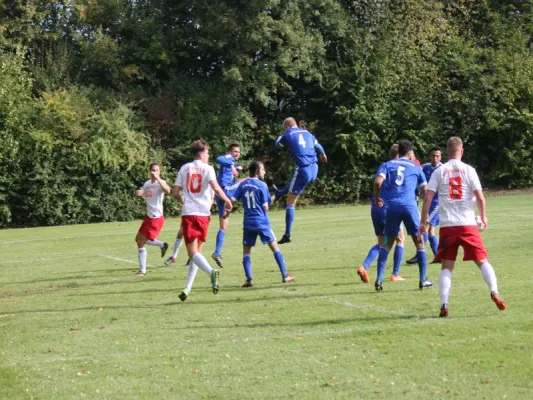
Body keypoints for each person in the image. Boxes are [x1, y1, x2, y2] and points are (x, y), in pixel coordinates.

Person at [419, 136, 506, 317]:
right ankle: (494, 292)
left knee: (447, 266)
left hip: (448, 226)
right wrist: (483, 217)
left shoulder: (439, 171)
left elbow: (428, 198)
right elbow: (480, 197)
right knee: (482, 260)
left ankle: (444, 303)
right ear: (462, 151)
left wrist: (423, 221)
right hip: (467, 224)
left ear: (447, 152)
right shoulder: (469, 170)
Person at [173, 140, 233, 301]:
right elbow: (216, 188)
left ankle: (211, 272)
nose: (208, 156)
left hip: (190, 213)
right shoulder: (208, 169)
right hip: (204, 215)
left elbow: (175, 192)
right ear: (201, 153)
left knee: (192, 254)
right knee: (197, 253)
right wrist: (227, 200)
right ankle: (187, 288)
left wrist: (183, 201)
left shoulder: (184, 168)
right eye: (207, 153)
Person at [373, 139, 433, 291]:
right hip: (409, 207)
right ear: (410, 153)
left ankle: (379, 279)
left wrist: (377, 197)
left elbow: (378, 182)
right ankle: (422, 279)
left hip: (392, 207)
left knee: (387, 243)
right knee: (419, 242)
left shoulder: (388, 164)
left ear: (398, 151)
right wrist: (425, 213)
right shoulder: (416, 167)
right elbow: (425, 190)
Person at [228, 161, 295, 286]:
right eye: (263, 169)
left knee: (246, 252)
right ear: (258, 171)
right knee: (275, 248)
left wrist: (226, 211)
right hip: (261, 222)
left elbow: (231, 200)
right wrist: (273, 198)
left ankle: (249, 279)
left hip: (248, 222)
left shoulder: (242, 185)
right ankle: (285, 275)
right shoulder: (262, 185)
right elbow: (266, 206)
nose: (264, 172)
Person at [357, 144, 407, 283]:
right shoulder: (397, 169)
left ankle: (364, 267)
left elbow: (378, 182)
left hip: (376, 208)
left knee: (381, 243)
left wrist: (377, 197)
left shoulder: (384, 166)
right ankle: (395, 274)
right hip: (388, 209)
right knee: (400, 239)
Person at [274, 117, 327, 244]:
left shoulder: (288, 133)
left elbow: (278, 146)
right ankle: (280, 192)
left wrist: (278, 139)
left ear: (287, 126)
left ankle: (287, 235)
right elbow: (318, 146)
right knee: (294, 179)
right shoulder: (307, 132)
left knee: (290, 204)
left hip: (303, 170)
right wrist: (323, 154)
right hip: (314, 168)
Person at [135, 163, 171, 275]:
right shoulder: (147, 183)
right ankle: (162, 245)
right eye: (152, 170)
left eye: (156, 170)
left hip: (156, 216)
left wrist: (159, 179)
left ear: (159, 172)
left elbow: (168, 190)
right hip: (148, 216)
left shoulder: (161, 183)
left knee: (142, 241)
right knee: (138, 239)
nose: (154, 172)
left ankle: (143, 271)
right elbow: (144, 193)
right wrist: (139, 193)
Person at [211, 143, 243, 268]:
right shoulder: (228, 158)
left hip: (220, 196)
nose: (237, 154)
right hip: (225, 190)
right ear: (230, 152)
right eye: (235, 151)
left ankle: (217, 253)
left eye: (238, 152)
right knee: (246, 180)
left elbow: (228, 167)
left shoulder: (231, 162)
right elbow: (219, 159)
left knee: (224, 226)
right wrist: (232, 165)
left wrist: (236, 167)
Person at [421, 146, 443, 261]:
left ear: (441, 157)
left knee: (425, 226)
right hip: (427, 202)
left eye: (437, 156)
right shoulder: (425, 167)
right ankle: (438, 256)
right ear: (430, 156)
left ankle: (419, 254)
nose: (435, 158)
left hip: (437, 203)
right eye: (433, 155)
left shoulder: (443, 169)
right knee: (430, 231)